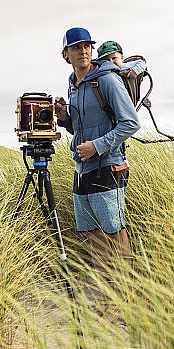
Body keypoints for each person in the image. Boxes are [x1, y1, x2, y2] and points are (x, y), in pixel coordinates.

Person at [54, 27, 140, 320]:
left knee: (115, 235)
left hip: (109, 166)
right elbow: (79, 129)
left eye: (87, 46)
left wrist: (98, 146)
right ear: (65, 54)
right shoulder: (73, 86)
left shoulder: (106, 80)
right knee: (94, 237)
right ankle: (105, 297)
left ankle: (123, 299)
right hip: (82, 168)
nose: (83, 51)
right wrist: (66, 119)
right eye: (76, 48)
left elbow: (131, 123)